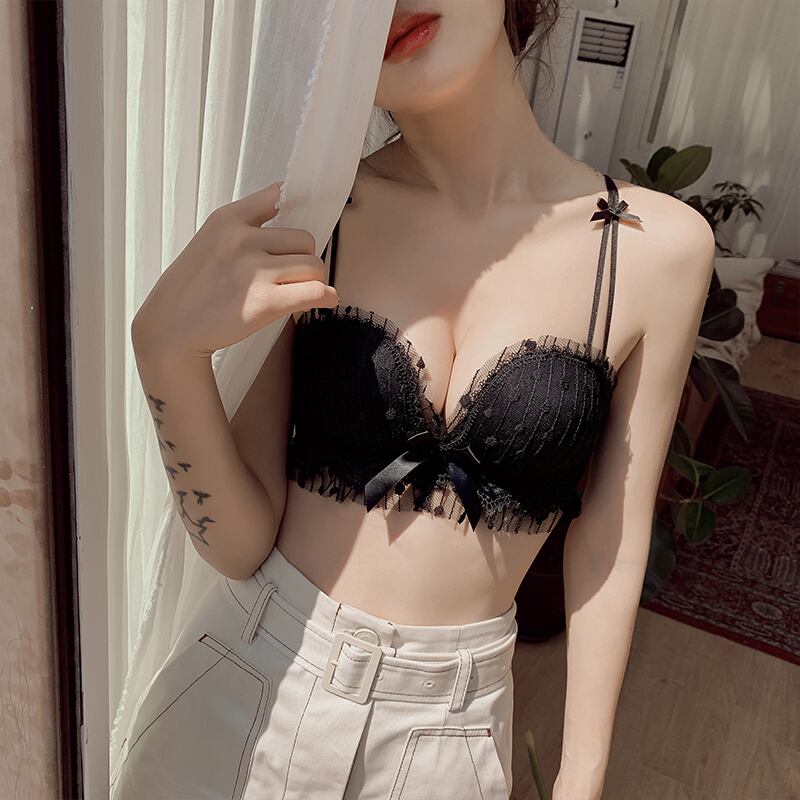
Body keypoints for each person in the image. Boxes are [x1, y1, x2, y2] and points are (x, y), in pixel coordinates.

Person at [114, 1, 714, 798]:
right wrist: (165, 358)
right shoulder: (312, 214)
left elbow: (611, 535)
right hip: (245, 685)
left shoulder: (657, 249)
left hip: (450, 737)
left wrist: (582, 775)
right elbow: (240, 544)